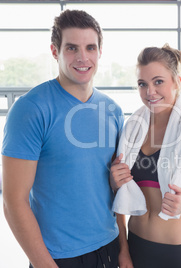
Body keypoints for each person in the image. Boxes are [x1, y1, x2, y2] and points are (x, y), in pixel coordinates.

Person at [2, 10, 124, 267]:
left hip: (109, 247)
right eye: (71, 48)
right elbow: (14, 201)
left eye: (90, 47)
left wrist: (123, 247)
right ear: (55, 51)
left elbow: (117, 188)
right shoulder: (30, 109)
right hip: (57, 257)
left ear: (100, 51)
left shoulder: (112, 110)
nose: (83, 57)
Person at [110, 44, 181, 268]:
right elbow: (120, 201)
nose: (150, 91)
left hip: (179, 254)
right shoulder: (130, 132)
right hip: (135, 248)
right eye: (143, 84)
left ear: (177, 82)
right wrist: (123, 250)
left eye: (158, 81)